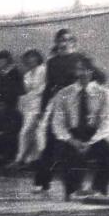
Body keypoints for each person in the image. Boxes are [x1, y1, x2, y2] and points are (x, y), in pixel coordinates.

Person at [52, 55, 109, 201]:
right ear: (74, 72)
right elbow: (58, 123)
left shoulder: (104, 93)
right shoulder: (64, 93)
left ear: (92, 71)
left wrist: (91, 142)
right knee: (66, 154)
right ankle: (72, 190)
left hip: (93, 134)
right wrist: (71, 140)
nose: (82, 73)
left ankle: (98, 189)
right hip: (72, 134)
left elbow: (107, 123)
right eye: (79, 69)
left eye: (86, 69)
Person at [34, 29, 81, 193]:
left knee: (72, 146)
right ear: (57, 42)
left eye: (68, 40)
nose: (64, 43)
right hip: (56, 107)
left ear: (73, 42)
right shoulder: (52, 62)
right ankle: (42, 182)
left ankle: (73, 186)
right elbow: (48, 87)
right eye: (61, 40)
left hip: (74, 107)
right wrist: (42, 109)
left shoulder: (80, 59)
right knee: (50, 144)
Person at [14, 49, 46, 166]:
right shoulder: (27, 75)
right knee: (26, 132)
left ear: (37, 58)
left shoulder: (43, 70)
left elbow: (44, 88)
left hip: (41, 104)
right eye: (28, 58)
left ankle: (34, 159)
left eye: (33, 57)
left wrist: (31, 96)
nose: (30, 60)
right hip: (29, 106)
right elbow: (27, 90)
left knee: (37, 132)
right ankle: (25, 159)